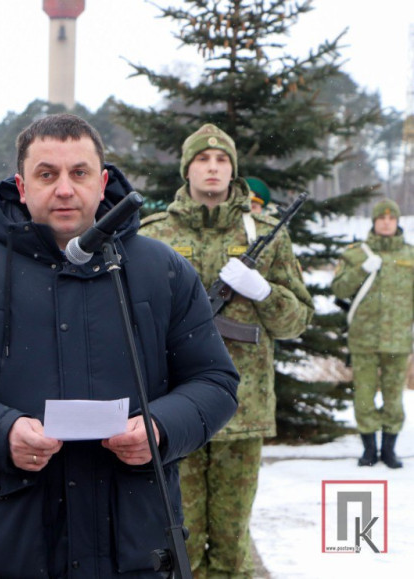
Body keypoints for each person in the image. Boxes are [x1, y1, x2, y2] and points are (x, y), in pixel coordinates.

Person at [0, 114, 240, 578]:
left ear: (103, 180)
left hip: (136, 546)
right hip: (10, 546)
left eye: (79, 173)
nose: (64, 189)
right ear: (21, 184)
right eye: (47, 174)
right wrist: (3, 432)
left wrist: (159, 429)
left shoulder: (163, 272)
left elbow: (215, 381)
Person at [140, 124, 314, 578]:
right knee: (180, 536)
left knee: (233, 544)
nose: (212, 168)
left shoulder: (268, 234)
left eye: (221, 161)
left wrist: (263, 292)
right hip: (175, 408)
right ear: (187, 169)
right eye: (202, 160)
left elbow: (296, 321)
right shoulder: (154, 235)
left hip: (243, 407)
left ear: (233, 170)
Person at [330, 198, 410, 469]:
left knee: (393, 397)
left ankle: (389, 450)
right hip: (363, 338)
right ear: (374, 222)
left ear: (398, 222)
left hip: (398, 340)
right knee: (363, 396)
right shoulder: (355, 254)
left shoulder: (410, 256)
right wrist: (362, 269)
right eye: (381, 218)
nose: (386, 222)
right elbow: (339, 289)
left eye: (391, 218)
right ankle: (368, 450)